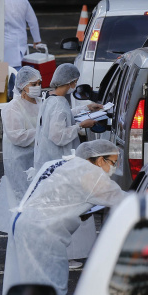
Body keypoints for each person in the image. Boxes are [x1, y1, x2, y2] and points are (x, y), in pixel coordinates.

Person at [2, 139, 127, 295]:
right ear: (99, 159)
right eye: (112, 162)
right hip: (43, 230)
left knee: (32, 283)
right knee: (52, 284)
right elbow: (126, 201)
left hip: (23, 222)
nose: (113, 168)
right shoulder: (92, 173)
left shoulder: (64, 163)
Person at [34, 63, 103, 265]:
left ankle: (57, 254)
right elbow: (58, 135)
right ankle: (65, 256)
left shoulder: (52, 99)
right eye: (75, 82)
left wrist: (85, 109)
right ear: (72, 82)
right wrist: (81, 126)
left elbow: (64, 115)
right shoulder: (58, 105)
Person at [0, 67, 42, 233]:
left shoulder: (42, 103)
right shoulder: (12, 108)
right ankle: (21, 239)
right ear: (23, 86)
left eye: (39, 83)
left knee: (38, 201)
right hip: (19, 162)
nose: (38, 87)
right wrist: (43, 133)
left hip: (39, 158)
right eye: (34, 84)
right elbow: (17, 137)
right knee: (22, 200)